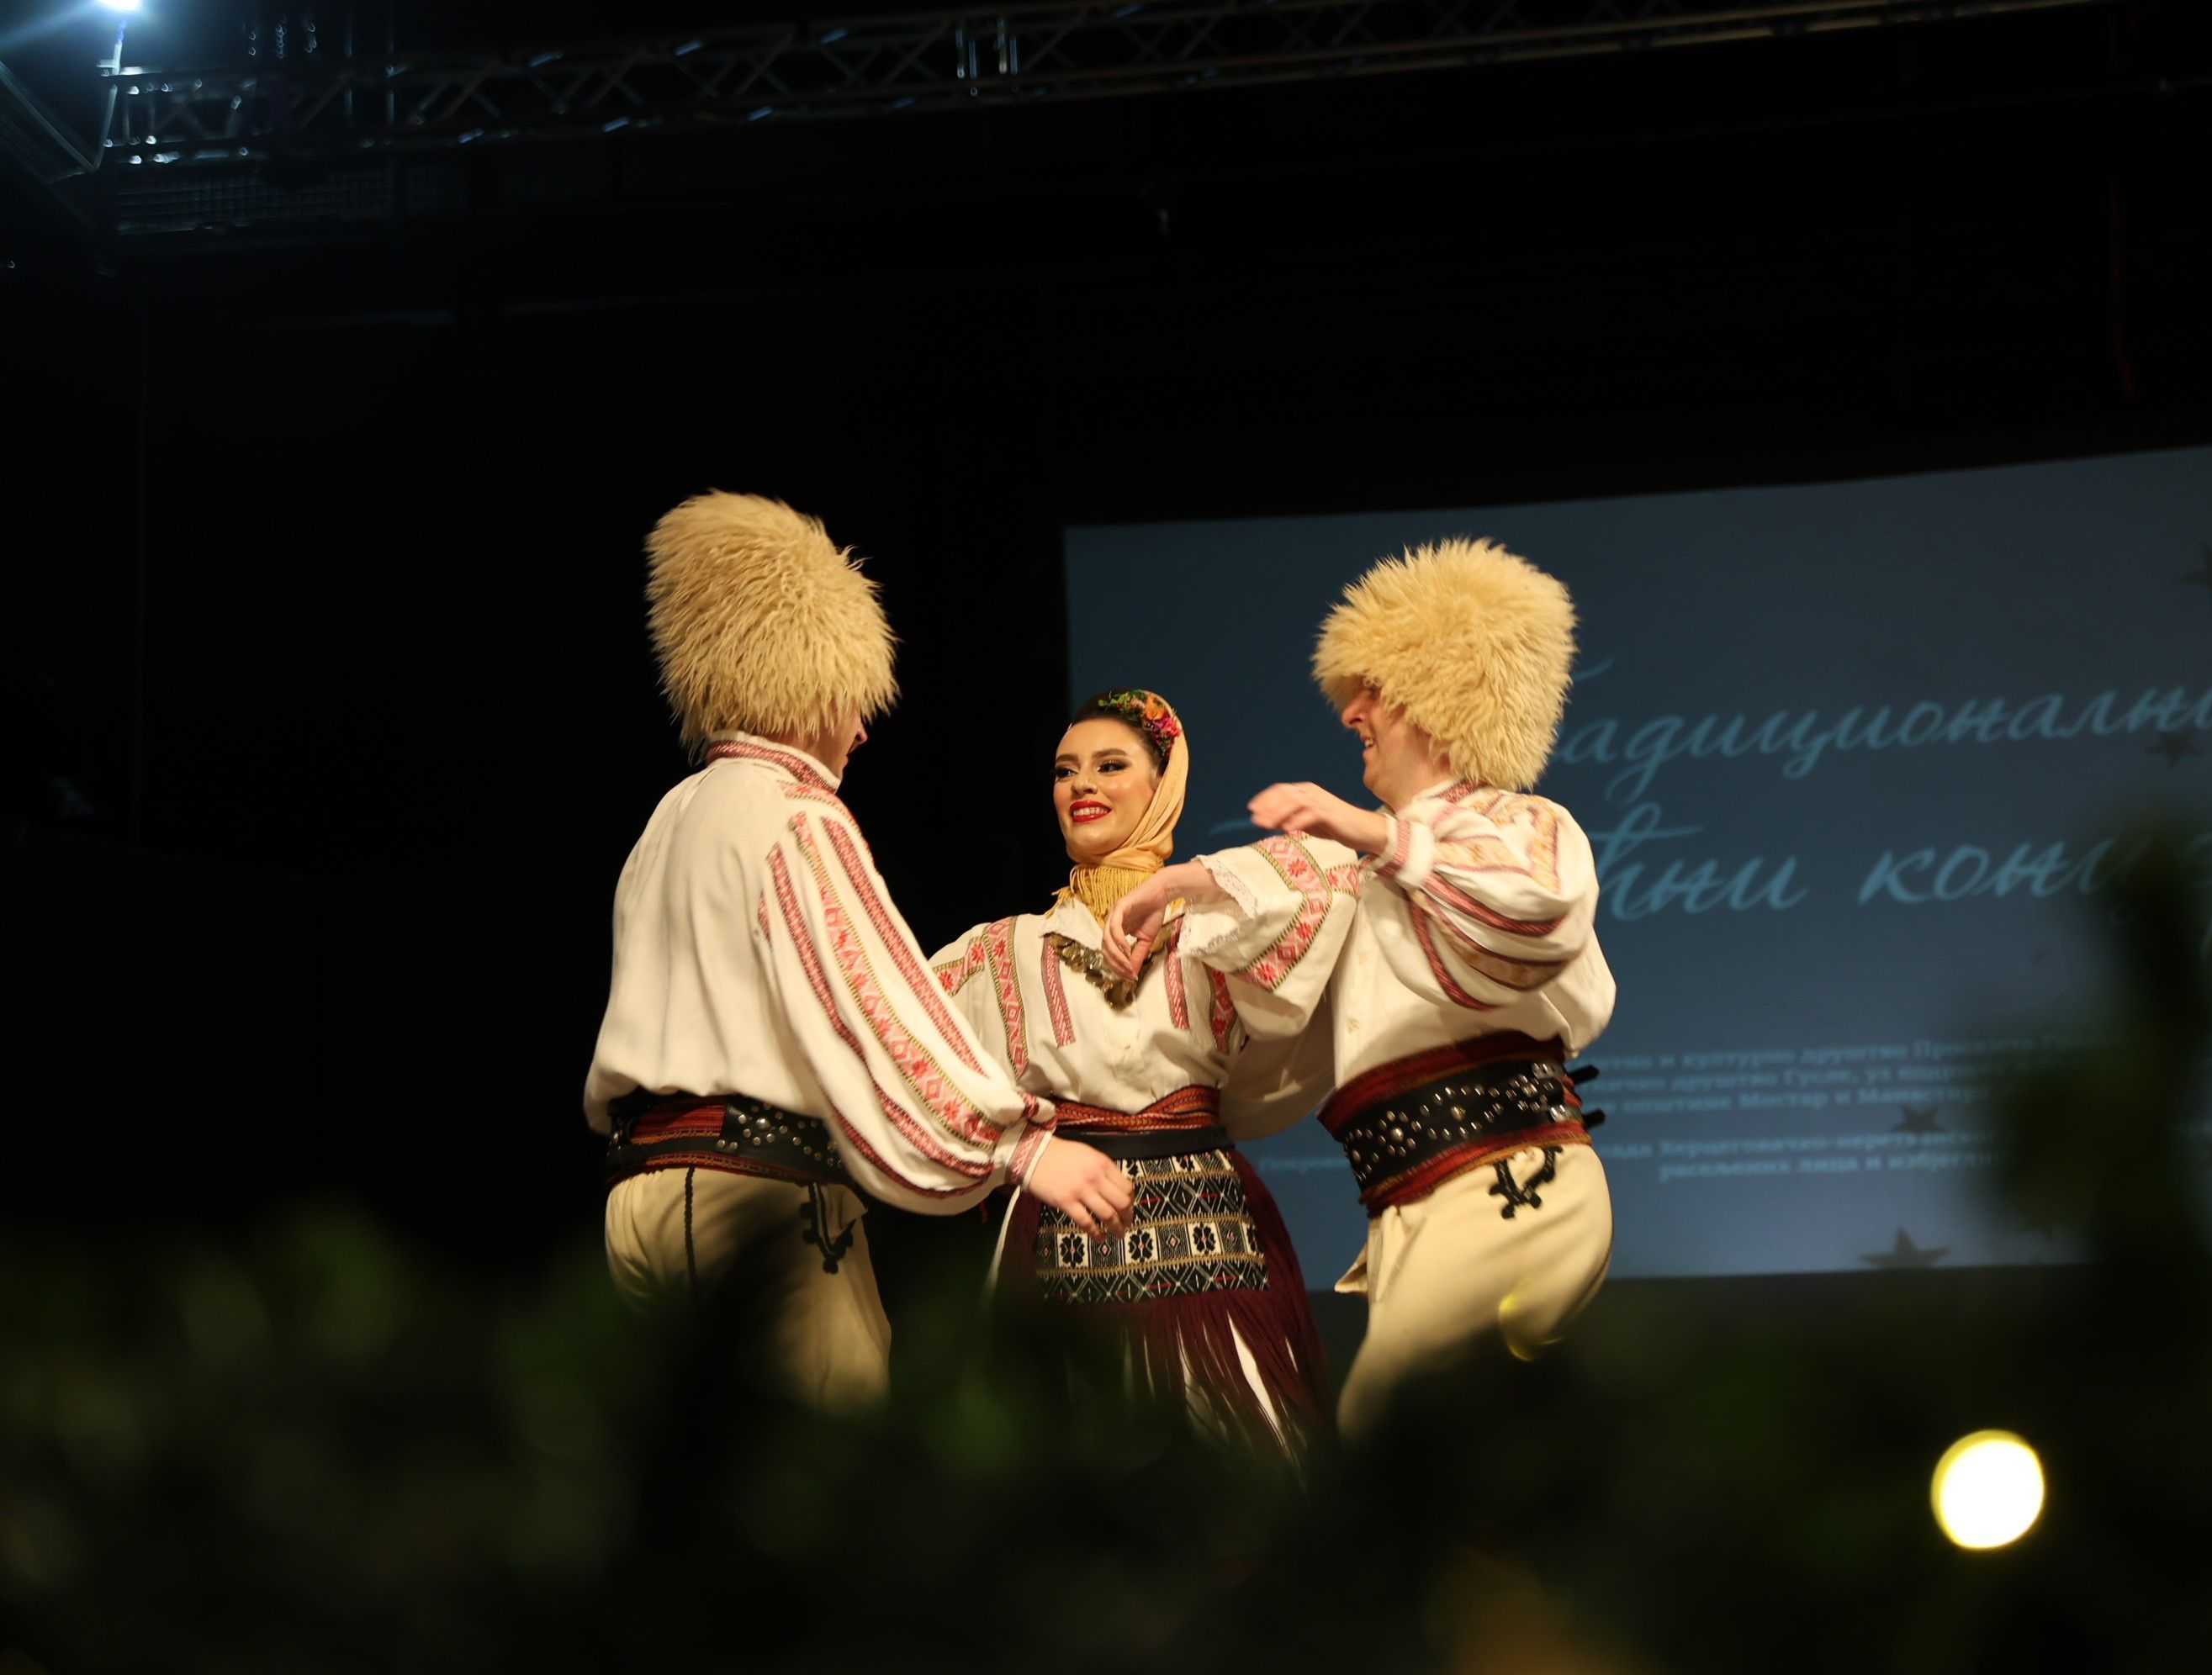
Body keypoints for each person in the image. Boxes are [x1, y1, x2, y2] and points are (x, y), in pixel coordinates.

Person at [585, 491, 1133, 1408]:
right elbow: (870, 997)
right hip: (752, 1196)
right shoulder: (795, 813)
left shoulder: (669, 819)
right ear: (810, 685)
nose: (862, 729)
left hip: (639, 1195)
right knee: (825, 1454)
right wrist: (1020, 1146)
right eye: (853, 701)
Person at [1104, 538, 1613, 1435]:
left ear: (1440, 699)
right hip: (1420, 1195)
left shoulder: (1520, 824)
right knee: (1463, 1450)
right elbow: (1292, 880)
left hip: (1508, 1177)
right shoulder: (1365, 866)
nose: (1351, 715)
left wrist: (1375, 835)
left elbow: (1537, 908)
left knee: (1393, 1431)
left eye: (1373, 692)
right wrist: (1181, 883)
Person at [929, 689, 1350, 1458]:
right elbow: (902, 1059)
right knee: (1068, 1469)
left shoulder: (1217, 925)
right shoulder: (1003, 949)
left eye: (1110, 766)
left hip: (1210, 1232)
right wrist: (1017, 1150)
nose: (1081, 785)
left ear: (1163, 786)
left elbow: (1335, 876)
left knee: (1240, 1471)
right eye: (1065, 771)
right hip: (1063, 1227)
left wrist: (1174, 885)